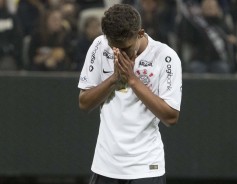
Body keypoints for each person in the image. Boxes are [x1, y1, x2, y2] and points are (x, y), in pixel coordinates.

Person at [78, 4, 182, 184]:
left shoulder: (165, 57)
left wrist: (132, 80)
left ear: (140, 33)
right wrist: (113, 80)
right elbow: (84, 103)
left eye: (126, 48)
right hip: (105, 166)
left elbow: (171, 117)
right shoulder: (99, 46)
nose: (119, 54)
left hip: (146, 167)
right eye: (113, 48)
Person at [176, 0, 237, 73]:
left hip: (217, 60)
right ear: (202, 8)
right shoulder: (195, 23)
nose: (209, 8)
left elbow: (231, 39)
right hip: (199, 59)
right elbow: (185, 36)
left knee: (223, 69)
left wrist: (231, 40)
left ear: (217, 9)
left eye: (212, 7)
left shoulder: (222, 24)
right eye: (207, 6)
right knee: (195, 69)